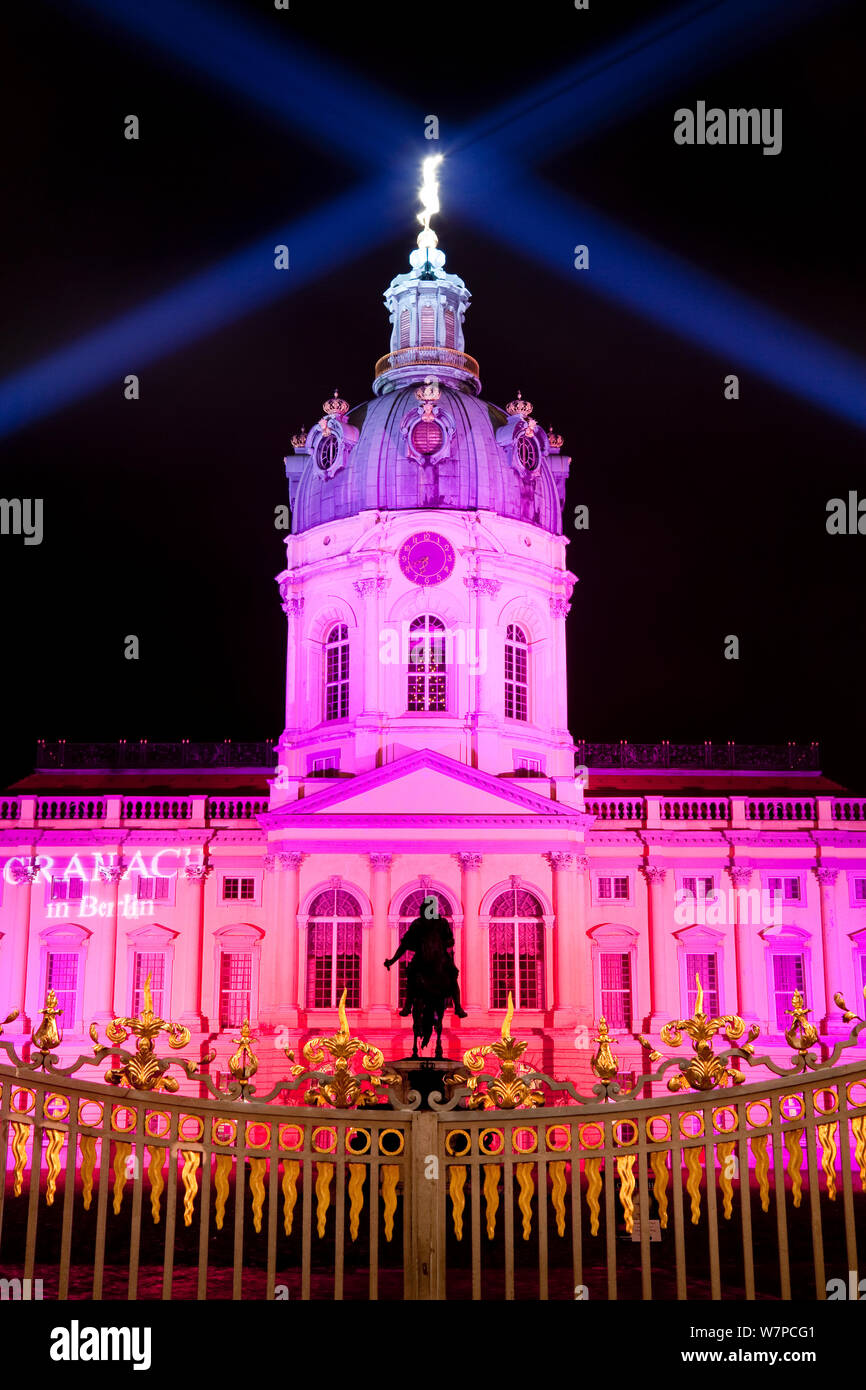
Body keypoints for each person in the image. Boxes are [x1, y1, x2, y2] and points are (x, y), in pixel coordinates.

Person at [384, 896, 467, 1019]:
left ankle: (458, 1007)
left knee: (452, 975)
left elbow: (450, 940)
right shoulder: (418, 924)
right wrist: (392, 960)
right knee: (412, 976)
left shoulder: (441, 922)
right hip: (423, 956)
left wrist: (444, 943)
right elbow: (405, 945)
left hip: (439, 955)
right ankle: (408, 1005)